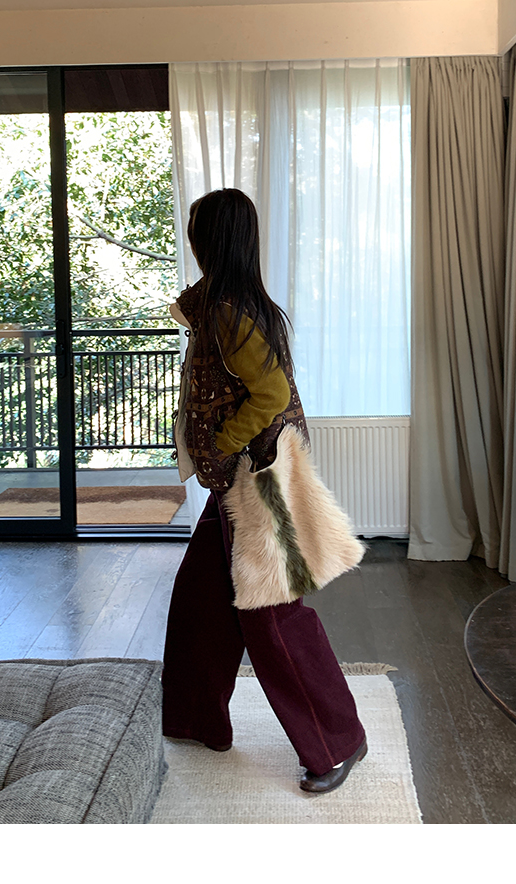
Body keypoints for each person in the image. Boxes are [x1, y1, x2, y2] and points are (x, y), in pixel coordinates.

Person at [162, 188, 367, 794]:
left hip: (252, 480)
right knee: (201, 600)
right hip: (239, 481)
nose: (192, 239)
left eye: (197, 230)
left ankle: (337, 741)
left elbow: (271, 395)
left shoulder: (228, 312)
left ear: (213, 240)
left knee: (272, 615)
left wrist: (223, 442)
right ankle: (194, 717)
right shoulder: (227, 304)